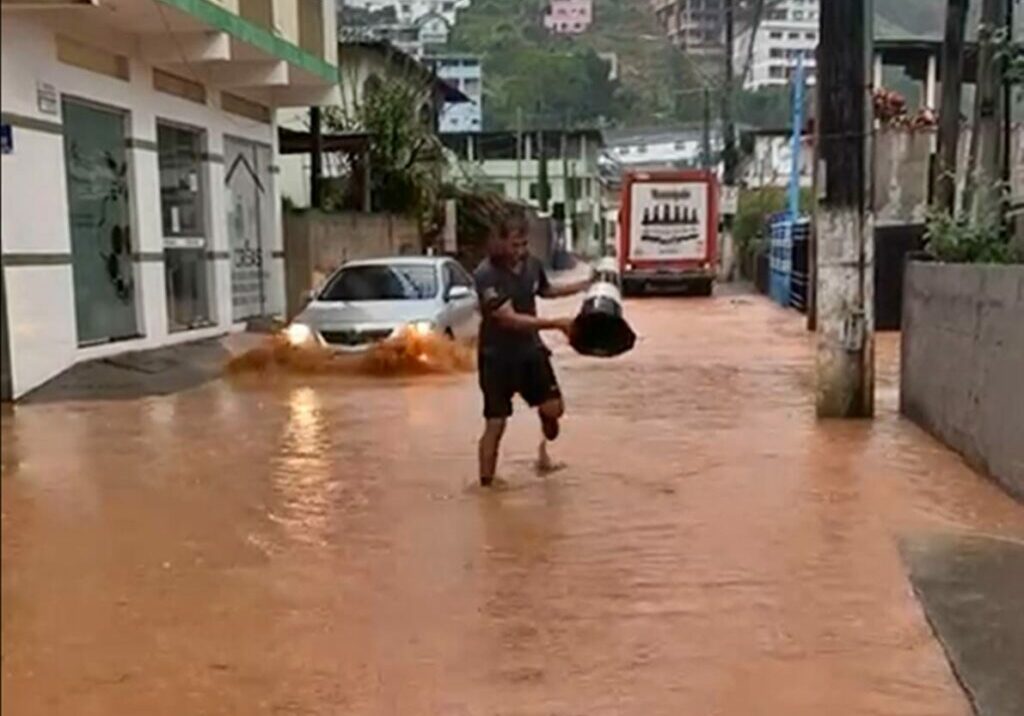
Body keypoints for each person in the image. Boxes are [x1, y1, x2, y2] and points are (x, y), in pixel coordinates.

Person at [473, 206, 593, 488]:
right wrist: (556, 324)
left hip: (531, 352)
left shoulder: (532, 264)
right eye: (515, 245)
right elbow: (508, 318)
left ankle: (543, 418)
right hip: (496, 358)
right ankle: (486, 488)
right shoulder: (486, 275)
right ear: (499, 242)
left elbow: (545, 290)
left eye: (524, 244)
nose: (520, 250)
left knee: (554, 410)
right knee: (496, 424)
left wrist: (582, 286)